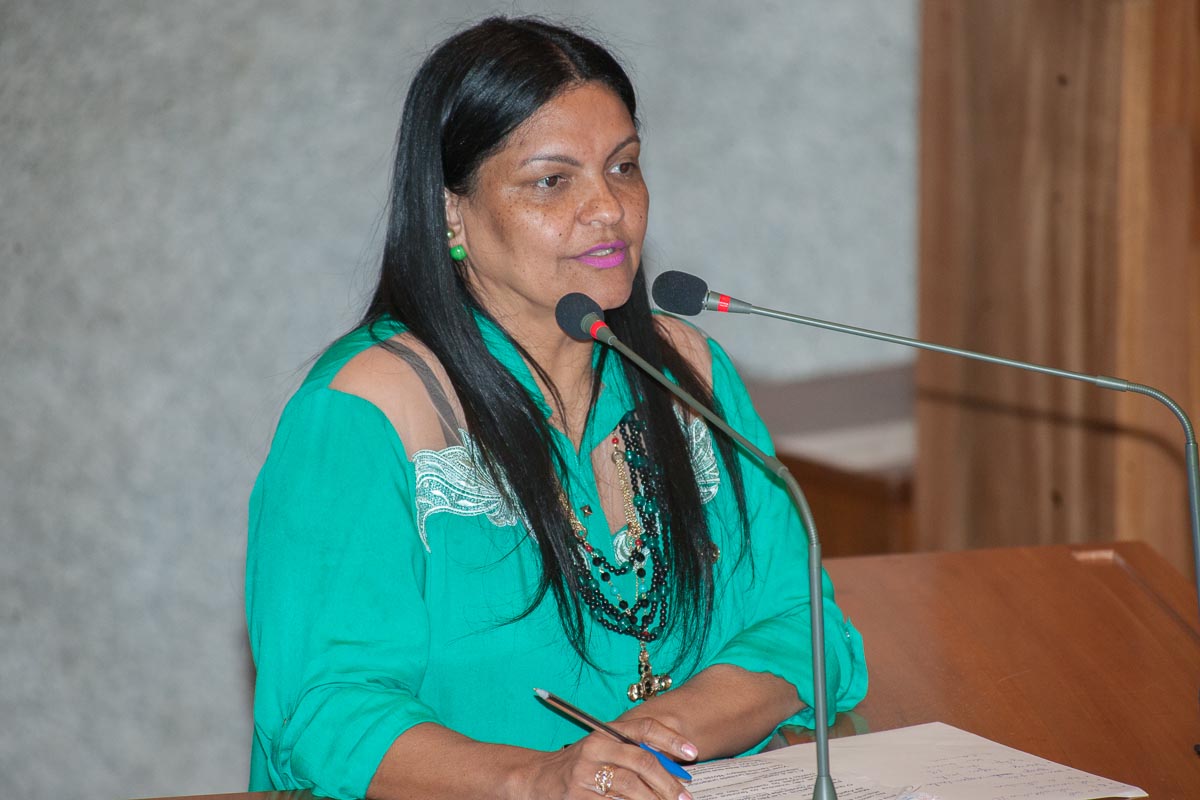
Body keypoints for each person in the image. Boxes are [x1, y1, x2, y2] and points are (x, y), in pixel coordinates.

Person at [246, 16, 867, 800]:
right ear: (450, 211)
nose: (607, 207)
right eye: (552, 181)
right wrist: (540, 779)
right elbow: (324, 711)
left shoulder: (685, 373)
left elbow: (806, 626)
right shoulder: (364, 413)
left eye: (623, 167)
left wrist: (656, 735)